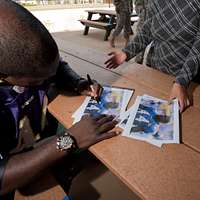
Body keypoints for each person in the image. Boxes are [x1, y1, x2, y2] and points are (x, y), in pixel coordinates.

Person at [0, 1, 119, 199]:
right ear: (4, 75)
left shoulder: (27, 64)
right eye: (38, 81)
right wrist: (69, 141)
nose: (48, 81)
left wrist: (78, 83)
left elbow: (57, 68)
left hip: (30, 136)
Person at [105, 0, 200, 112]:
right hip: (158, 72)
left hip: (190, 80)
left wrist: (182, 82)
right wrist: (126, 52)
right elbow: (147, 30)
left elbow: (198, 49)